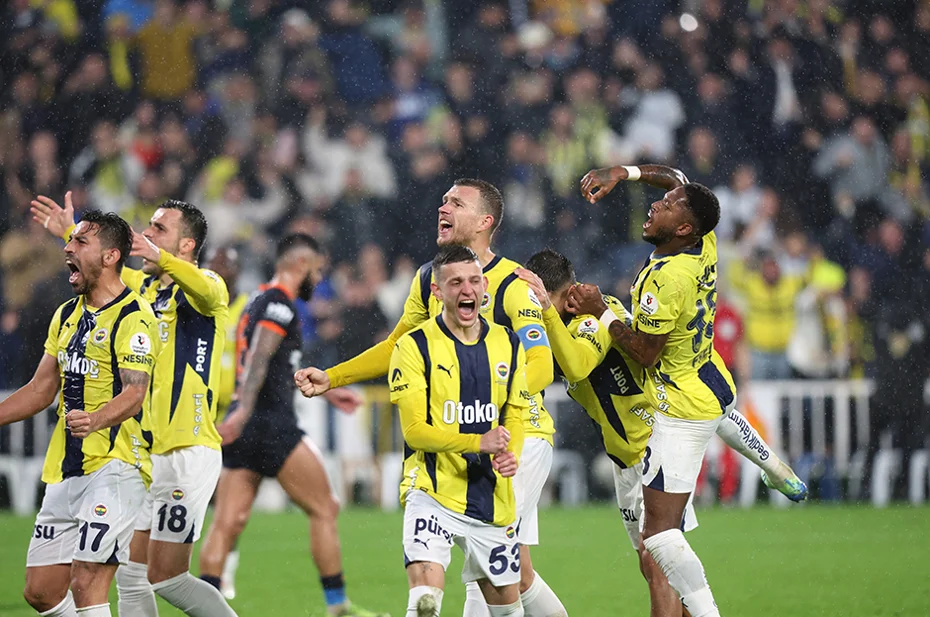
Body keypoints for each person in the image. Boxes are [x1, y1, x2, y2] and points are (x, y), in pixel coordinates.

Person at [295, 178, 568, 617]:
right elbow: (397, 346)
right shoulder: (429, 280)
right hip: (461, 436)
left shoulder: (514, 285)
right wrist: (333, 376)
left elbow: (540, 364)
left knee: (485, 573)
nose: (443, 207)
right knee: (515, 574)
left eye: (456, 203)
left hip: (518, 437)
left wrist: (488, 396)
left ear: (485, 221)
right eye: (443, 200)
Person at [569, 164, 805, 617]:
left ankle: (707, 612)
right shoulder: (703, 239)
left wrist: (602, 311)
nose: (657, 204)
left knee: (658, 536)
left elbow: (646, 353)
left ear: (681, 229)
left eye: (668, 206)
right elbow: (677, 177)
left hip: (680, 408)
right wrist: (624, 172)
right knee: (723, 414)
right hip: (707, 371)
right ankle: (774, 467)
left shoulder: (668, 278)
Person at [519, 248, 806, 616]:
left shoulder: (592, 318)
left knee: (657, 562)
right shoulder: (551, 327)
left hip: (655, 448)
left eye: (544, 300)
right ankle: (772, 466)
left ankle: (773, 466)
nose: (536, 308)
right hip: (625, 461)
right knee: (656, 568)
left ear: (566, 293)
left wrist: (546, 310)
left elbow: (576, 366)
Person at [32, 192, 237, 617]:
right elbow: (104, 264)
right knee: (129, 573)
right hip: (142, 453)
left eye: (159, 228)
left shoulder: (207, 288)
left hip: (187, 450)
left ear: (186, 244)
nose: (147, 234)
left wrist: (161, 257)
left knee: (168, 577)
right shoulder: (142, 289)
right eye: (148, 227)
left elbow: (203, 287)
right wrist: (71, 232)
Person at [198, 233, 386, 617]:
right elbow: (259, 359)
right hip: (272, 425)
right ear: (300, 265)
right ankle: (338, 605)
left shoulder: (256, 300)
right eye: (317, 270)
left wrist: (328, 392)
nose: (318, 279)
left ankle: (206, 610)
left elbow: (276, 364)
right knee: (325, 508)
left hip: (246, 426)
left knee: (227, 523)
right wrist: (245, 409)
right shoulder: (280, 304)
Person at [0, 211, 158, 617]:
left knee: (87, 581)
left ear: (110, 256)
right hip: (67, 469)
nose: (67, 248)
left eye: (80, 242)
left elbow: (134, 393)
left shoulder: (134, 317)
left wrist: (97, 419)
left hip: (116, 467)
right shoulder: (67, 314)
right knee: (41, 592)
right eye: (70, 241)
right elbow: (41, 389)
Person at [389, 245, 528, 617]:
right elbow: (415, 432)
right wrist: (478, 442)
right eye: (455, 283)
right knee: (425, 602)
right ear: (437, 291)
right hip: (431, 491)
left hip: (491, 497)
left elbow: (514, 413)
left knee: (508, 611)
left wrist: (511, 451)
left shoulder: (509, 343)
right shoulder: (413, 346)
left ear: (485, 286)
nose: (468, 290)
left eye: (474, 281)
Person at [203, 244, 249, 600]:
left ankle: (224, 569)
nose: (219, 269)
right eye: (213, 263)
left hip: (234, 415)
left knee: (230, 502)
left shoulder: (249, 308)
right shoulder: (200, 303)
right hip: (200, 412)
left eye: (225, 264)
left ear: (237, 271)